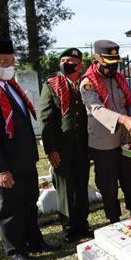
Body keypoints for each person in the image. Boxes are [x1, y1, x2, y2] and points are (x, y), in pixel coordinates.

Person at [0, 39, 59, 260]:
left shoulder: (10, 85)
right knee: (10, 209)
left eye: (12, 61)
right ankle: (15, 250)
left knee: (28, 203)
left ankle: (35, 242)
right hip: (4, 165)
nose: (9, 65)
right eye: (3, 62)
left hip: (25, 160)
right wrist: (0, 170)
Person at [80, 40, 131, 224]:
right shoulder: (87, 83)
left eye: (115, 63)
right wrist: (123, 119)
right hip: (103, 143)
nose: (112, 67)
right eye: (108, 63)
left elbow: (129, 103)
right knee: (108, 185)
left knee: (130, 178)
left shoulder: (119, 79)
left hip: (124, 140)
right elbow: (97, 109)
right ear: (97, 59)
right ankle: (114, 220)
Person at [39, 48, 92, 243]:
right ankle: (69, 227)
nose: (65, 63)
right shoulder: (52, 85)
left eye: (70, 60)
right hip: (61, 147)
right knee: (65, 188)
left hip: (83, 145)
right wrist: (51, 149)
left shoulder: (88, 83)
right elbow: (46, 120)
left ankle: (82, 224)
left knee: (81, 184)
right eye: (62, 60)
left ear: (80, 65)